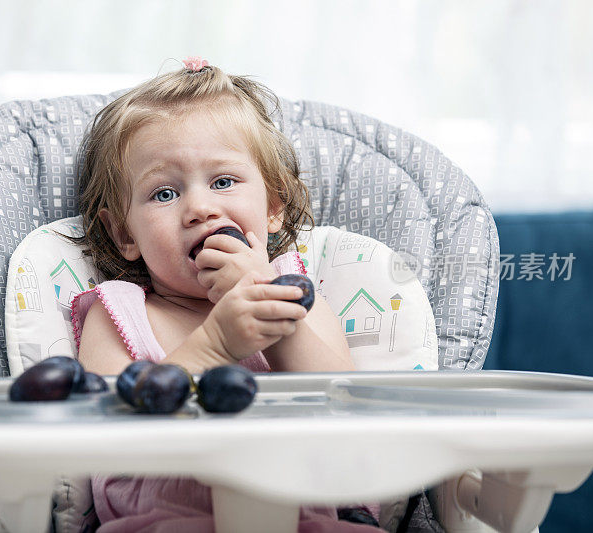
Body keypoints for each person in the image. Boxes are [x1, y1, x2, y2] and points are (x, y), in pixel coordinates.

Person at [72, 58, 378, 532]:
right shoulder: (118, 312)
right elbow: (108, 440)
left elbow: (347, 409)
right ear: (124, 234)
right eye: (164, 194)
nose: (199, 208)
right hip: (163, 520)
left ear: (273, 208)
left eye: (222, 182)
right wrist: (214, 345)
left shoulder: (295, 292)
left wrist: (271, 314)